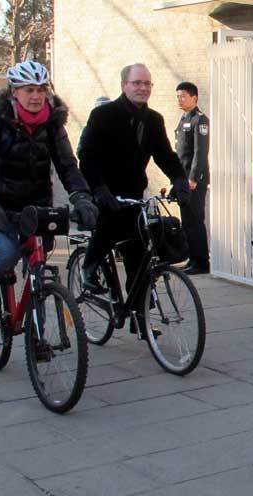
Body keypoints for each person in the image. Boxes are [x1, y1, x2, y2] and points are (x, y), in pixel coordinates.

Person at [0, 60, 98, 307]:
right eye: (29, 90)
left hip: (38, 205)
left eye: (41, 90)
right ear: (14, 92)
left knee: (38, 267)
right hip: (2, 204)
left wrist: (81, 196)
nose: (36, 96)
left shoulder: (53, 123)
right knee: (7, 254)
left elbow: (67, 165)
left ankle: (35, 324)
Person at [78, 62, 189, 338]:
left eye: (147, 83)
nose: (142, 88)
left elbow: (165, 155)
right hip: (104, 190)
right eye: (136, 83)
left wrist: (179, 180)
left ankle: (140, 317)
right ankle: (89, 269)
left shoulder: (153, 120)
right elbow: (86, 155)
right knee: (108, 226)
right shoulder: (103, 115)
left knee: (139, 257)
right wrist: (99, 189)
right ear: (124, 85)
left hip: (133, 194)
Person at [174, 81, 211, 275]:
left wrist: (193, 178)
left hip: (194, 180)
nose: (179, 100)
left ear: (194, 98)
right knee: (187, 221)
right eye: (178, 96)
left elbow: (200, 152)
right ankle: (192, 258)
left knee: (195, 220)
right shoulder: (184, 119)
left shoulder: (200, 120)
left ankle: (202, 262)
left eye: (183, 96)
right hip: (183, 178)